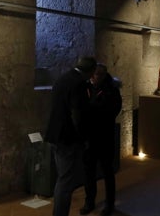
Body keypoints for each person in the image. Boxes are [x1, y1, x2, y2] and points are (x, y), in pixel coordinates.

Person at [44, 56, 97, 216]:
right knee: (66, 181)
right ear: (90, 71)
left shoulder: (63, 78)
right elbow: (77, 115)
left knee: (63, 178)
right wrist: (84, 138)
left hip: (55, 134)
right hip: (67, 138)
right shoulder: (79, 83)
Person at [81, 64, 122, 216]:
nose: (92, 77)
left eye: (96, 75)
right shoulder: (86, 87)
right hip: (89, 138)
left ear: (103, 75)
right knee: (89, 172)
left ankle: (109, 204)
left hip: (104, 137)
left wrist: (92, 110)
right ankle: (89, 201)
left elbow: (112, 111)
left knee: (107, 172)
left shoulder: (111, 90)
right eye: (92, 74)